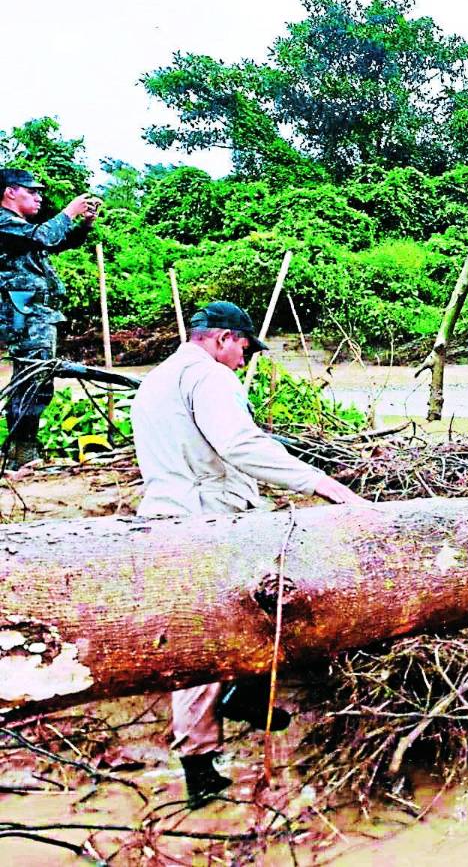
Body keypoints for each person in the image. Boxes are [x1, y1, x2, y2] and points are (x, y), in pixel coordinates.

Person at [131, 301, 367, 808]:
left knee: (194, 643)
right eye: (243, 349)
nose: (245, 361)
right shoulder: (212, 379)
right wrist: (321, 484)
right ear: (220, 340)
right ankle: (248, 697)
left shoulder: (158, 379)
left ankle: (203, 761)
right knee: (260, 606)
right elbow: (239, 445)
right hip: (209, 523)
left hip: (166, 519)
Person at [0, 169, 100, 467]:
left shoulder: (19, 228)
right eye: (32, 192)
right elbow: (45, 235)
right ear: (10, 192)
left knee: (31, 377)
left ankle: (19, 451)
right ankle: (24, 454)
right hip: (25, 311)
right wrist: (69, 211)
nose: (39, 197)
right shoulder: (4, 224)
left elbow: (58, 242)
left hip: (35, 311)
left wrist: (85, 224)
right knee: (36, 379)